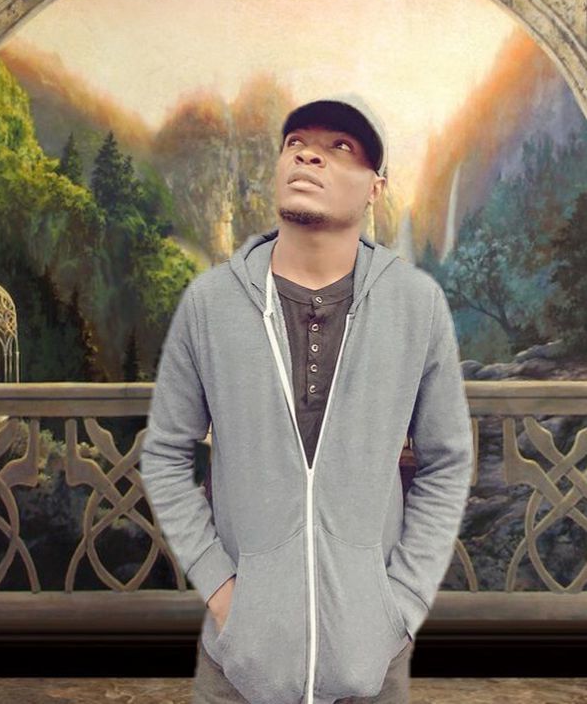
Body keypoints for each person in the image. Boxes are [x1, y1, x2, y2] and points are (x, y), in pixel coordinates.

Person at [139, 95, 474, 704]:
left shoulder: (416, 304)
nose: (309, 155)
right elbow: (164, 455)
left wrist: (400, 605)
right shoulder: (210, 303)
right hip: (237, 667)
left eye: (339, 147)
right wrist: (222, 593)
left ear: (375, 187)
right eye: (296, 143)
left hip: (372, 666)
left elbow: (447, 462)